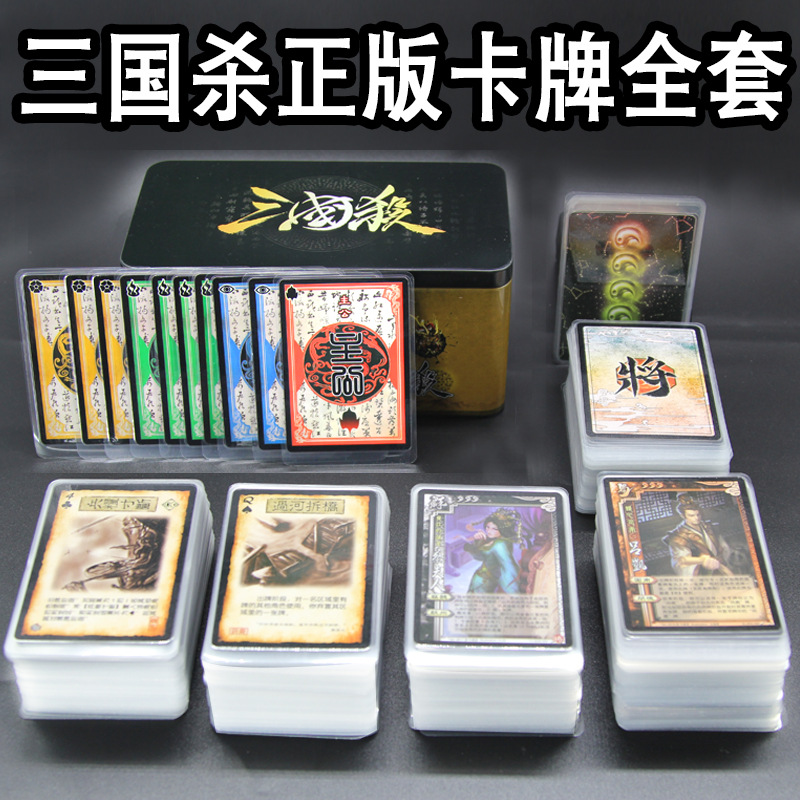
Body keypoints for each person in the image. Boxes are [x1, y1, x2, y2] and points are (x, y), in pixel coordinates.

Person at [664, 494, 733, 577]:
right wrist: (702, 560)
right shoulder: (678, 536)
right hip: (701, 572)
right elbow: (681, 560)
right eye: (691, 515)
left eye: (698, 514)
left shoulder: (709, 526)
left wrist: (721, 558)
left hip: (720, 566)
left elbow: (723, 547)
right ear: (683, 516)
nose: (696, 518)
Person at [464, 509, 521, 594]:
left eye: (494, 529)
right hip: (482, 578)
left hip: (485, 581)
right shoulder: (497, 540)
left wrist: (513, 592)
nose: (489, 531)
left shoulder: (500, 544)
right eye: (488, 527)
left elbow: (508, 567)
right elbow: (482, 557)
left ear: (502, 529)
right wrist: (478, 541)